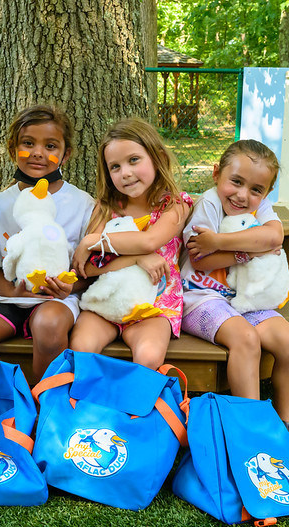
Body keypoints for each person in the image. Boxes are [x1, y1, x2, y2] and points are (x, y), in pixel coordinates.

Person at [0, 104, 94, 380]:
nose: (38, 153)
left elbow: (89, 271)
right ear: (12, 149)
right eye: (27, 143)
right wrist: (11, 291)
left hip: (57, 300)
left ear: (66, 155)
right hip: (6, 296)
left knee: (48, 325)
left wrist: (71, 286)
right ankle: (16, 402)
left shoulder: (83, 204)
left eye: (51, 146)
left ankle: (45, 403)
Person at [180, 139, 289, 445]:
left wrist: (220, 243)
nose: (243, 195)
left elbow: (274, 236)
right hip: (200, 296)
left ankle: (286, 423)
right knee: (246, 340)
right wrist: (251, 250)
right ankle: (250, 428)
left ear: (265, 192)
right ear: (216, 174)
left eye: (256, 189)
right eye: (236, 182)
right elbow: (201, 260)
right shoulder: (207, 204)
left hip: (246, 298)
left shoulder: (261, 206)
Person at [70, 118, 192, 370]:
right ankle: (86, 405)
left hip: (154, 305)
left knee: (148, 356)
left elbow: (150, 240)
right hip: (106, 301)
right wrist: (136, 259)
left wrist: (94, 241)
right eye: (115, 166)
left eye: (134, 160)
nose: (125, 172)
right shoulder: (106, 209)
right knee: (81, 348)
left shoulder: (174, 205)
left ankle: (133, 407)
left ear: (158, 158)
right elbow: (89, 269)